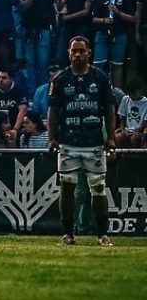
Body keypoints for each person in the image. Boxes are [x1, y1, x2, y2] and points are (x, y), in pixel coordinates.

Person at [48, 36, 116, 247]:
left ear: (89, 53)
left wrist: (111, 137)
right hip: (68, 142)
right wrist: (52, 137)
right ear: (68, 53)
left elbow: (109, 108)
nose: (77, 55)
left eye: (81, 51)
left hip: (94, 142)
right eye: (74, 51)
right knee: (67, 188)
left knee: (98, 188)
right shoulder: (60, 80)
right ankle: (68, 234)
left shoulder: (101, 78)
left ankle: (102, 235)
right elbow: (53, 110)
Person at [115, 79, 146, 148]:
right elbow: (122, 116)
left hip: (140, 130)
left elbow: (145, 121)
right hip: (127, 129)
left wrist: (138, 130)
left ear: (140, 90)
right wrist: (122, 128)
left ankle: (133, 157)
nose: (131, 96)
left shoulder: (146, 102)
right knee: (118, 137)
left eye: (134, 93)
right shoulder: (125, 99)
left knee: (134, 139)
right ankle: (120, 156)